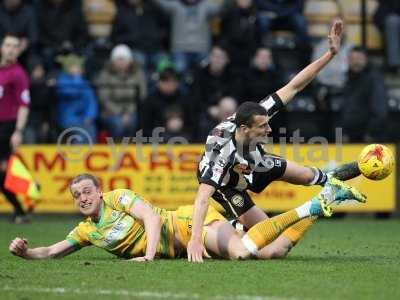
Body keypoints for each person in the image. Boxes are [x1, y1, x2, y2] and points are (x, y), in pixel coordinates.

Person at [187, 19, 347, 262]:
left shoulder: (258, 111)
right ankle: (241, 225)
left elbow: (295, 85)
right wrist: (195, 240)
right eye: (262, 127)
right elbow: (201, 198)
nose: (269, 130)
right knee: (272, 245)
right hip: (229, 185)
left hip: (255, 162)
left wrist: (330, 55)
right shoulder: (220, 151)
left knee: (305, 176)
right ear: (244, 128)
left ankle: (338, 180)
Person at [8, 173, 366, 261]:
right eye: (76, 196)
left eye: (87, 191)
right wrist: (25, 252)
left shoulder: (117, 197)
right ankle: (324, 200)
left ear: (99, 192)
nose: (83, 198)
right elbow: (52, 252)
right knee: (272, 253)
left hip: (185, 223)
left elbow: (149, 218)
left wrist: (148, 256)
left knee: (242, 252)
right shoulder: (87, 231)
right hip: (180, 246)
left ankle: (311, 206)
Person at [0, 33, 30, 223]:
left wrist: (18, 131)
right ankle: (19, 211)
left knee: (3, 171)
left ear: (18, 51)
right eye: (7, 45)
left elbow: (24, 105)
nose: (10, 49)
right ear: (2, 47)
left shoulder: (18, 74)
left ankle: (20, 209)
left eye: (14, 46)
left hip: (7, 126)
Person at [95, 44, 147, 140]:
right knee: (118, 125)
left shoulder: (138, 73)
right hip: (109, 112)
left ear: (130, 60)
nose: (121, 62)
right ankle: (117, 151)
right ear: (113, 61)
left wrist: (128, 113)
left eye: (124, 59)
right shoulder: (105, 74)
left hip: (132, 110)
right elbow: (104, 99)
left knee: (134, 122)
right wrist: (120, 113)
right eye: (118, 59)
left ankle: (131, 150)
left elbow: (142, 96)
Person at [340, 46, 388, 143]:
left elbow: (380, 110)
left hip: (368, 137)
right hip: (351, 137)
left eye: (359, 58)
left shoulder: (374, 79)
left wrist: (370, 133)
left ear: (366, 59)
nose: (355, 62)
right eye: (352, 59)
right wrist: (344, 133)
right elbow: (346, 109)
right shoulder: (347, 79)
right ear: (348, 61)